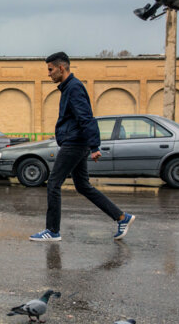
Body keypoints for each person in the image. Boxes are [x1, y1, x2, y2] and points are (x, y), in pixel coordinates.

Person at [30, 52, 135, 242]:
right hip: (77, 142)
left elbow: (86, 117)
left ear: (61, 68)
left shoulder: (74, 88)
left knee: (53, 183)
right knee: (83, 186)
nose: (49, 74)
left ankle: (52, 230)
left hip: (75, 143)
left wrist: (95, 145)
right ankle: (121, 217)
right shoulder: (69, 87)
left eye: (50, 69)